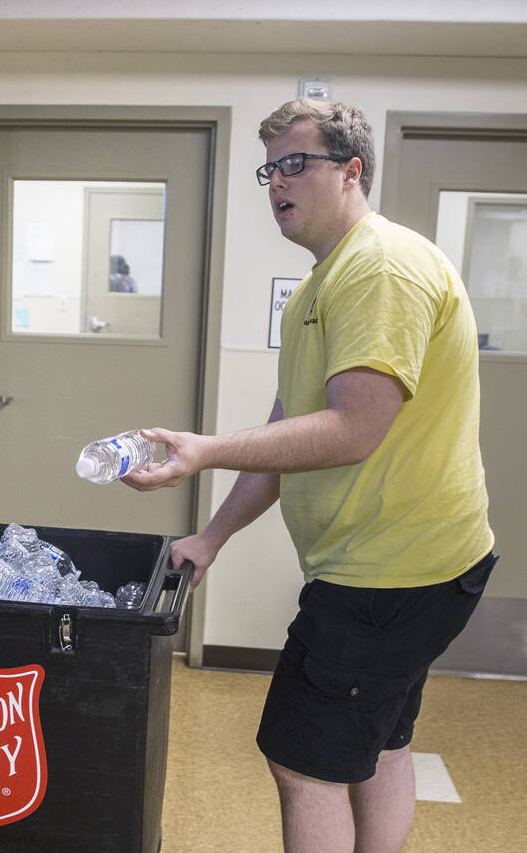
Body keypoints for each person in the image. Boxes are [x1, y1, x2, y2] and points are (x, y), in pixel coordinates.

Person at [124, 99, 496, 852]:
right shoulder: (322, 287)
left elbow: (354, 429)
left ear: (352, 171)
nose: (277, 184)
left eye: (298, 163)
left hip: (388, 576)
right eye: (270, 169)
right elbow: (287, 438)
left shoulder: (380, 268)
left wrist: (204, 448)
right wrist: (214, 535)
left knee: (303, 763)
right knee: (380, 741)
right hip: (410, 565)